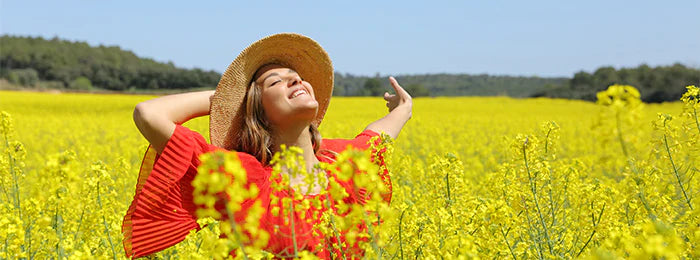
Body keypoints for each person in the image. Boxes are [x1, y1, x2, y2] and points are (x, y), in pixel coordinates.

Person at [121, 33, 412, 259]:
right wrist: (227, 99)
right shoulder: (244, 180)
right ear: (257, 110)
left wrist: (401, 108)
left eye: (296, 76)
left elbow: (380, 134)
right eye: (276, 82)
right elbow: (149, 114)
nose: (295, 79)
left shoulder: (345, 164)